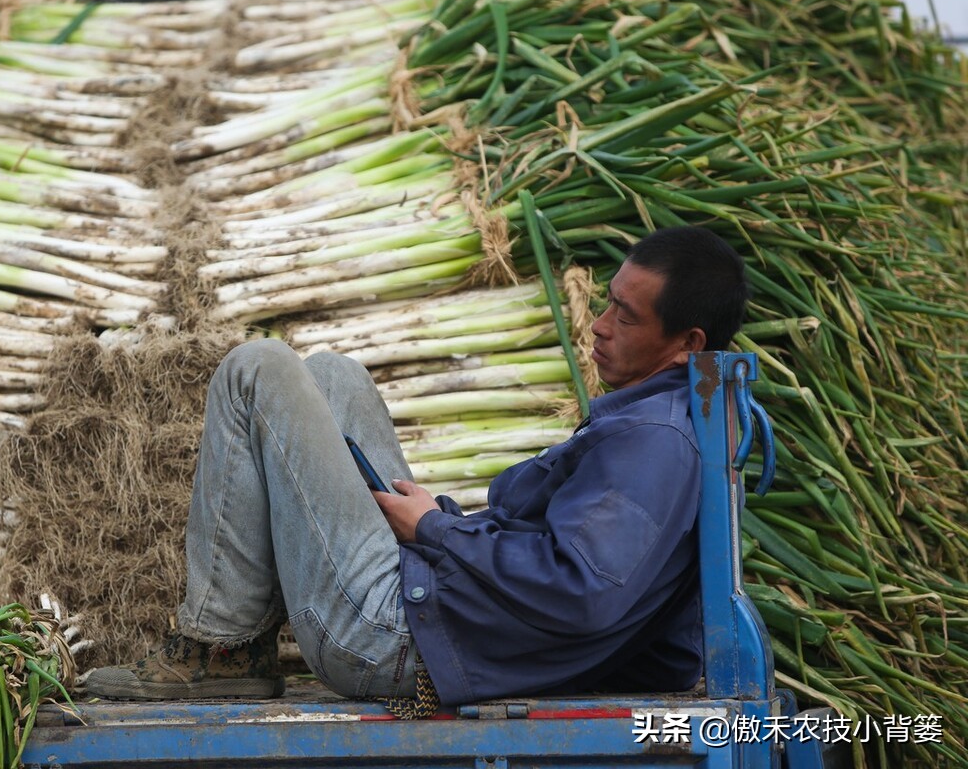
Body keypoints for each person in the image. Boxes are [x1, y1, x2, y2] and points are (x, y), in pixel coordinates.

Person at [86, 225, 749, 710]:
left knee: (255, 368)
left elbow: (580, 592)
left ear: (686, 343)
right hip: (434, 608)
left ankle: (218, 649)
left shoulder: (653, 446)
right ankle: (238, 646)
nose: (600, 326)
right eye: (606, 303)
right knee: (331, 376)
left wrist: (436, 530)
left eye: (624, 318)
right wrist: (451, 525)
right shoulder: (662, 421)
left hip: (394, 638)